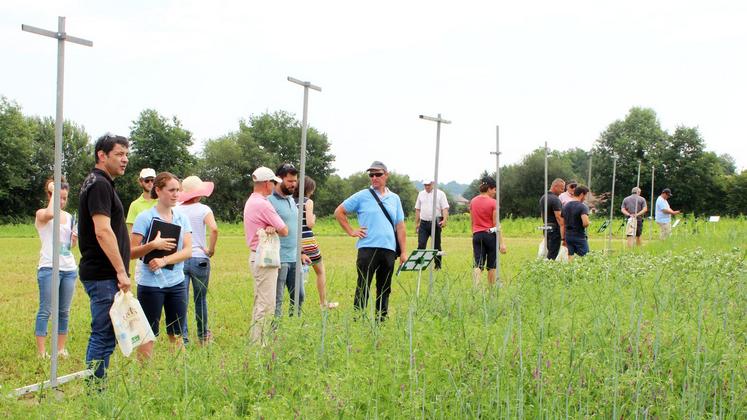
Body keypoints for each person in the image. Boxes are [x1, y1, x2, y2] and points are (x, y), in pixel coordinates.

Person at [78, 133, 131, 382]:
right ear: (102, 155)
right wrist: (120, 271)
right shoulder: (99, 184)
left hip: (101, 272)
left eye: (127, 154)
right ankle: (95, 390)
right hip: (102, 273)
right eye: (119, 154)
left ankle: (96, 385)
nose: (125, 159)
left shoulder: (98, 182)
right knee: (103, 333)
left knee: (106, 332)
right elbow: (102, 230)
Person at [335, 161, 406, 322]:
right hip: (367, 248)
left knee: (385, 287)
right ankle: (358, 318)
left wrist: (404, 252)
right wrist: (351, 231)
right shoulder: (362, 195)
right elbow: (339, 212)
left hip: (389, 249)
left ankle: (381, 319)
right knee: (363, 285)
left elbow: (400, 227)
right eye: (371, 175)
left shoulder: (394, 198)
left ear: (386, 175)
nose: (374, 178)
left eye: (378, 174)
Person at [130, 172, 191, 359]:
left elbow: (188, 251)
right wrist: (152, 246)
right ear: (158, 190)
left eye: (178, 190)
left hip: (177, 283)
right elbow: (131, 251)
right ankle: (144, 376)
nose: (175, 194)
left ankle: (181, 373)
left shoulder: (182, 218)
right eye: (171, 190)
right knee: (148, 333)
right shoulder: (144, 217)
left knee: (178, 331)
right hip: (150, 285)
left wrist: (165, 260)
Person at [243, 167, 288, 344]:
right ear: (267, 183)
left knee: (259, 300)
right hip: (264, 257)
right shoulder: (263, 203)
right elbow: (284, 229)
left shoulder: (251, 201)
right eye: (274, 183)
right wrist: (275, 228)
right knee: (267, 303)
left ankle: (256, 340)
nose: (275, 186)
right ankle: (259, 344)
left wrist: (271, 227)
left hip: (255, 255)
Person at [34, 178, 77, 359]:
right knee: (46, 310)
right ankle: (42, 352)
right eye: (58, 197)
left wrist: (73, 241)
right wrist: (53, 189)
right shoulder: (42, 213)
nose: (62, 201)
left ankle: (60, 348)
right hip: (49, 267)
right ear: (50, 195)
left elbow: (68, 246)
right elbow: (51, 214)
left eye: (65, 198)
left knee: (64, 311)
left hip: (69, 268)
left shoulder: (70, 217)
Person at [178, 175, 219, 345]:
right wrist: (210, 249)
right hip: (200, 259)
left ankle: (184, 339)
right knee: (200, 299)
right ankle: (202, 336)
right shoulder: (204, 209)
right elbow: (214, 229)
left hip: (181, 257)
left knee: (182, 300)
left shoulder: (176, 209)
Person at [268, 163, 312, 317]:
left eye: (295, 181)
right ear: (279, 180)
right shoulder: (269, 201)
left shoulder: (292, 200)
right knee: (277, 299)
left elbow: (294, 228)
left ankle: (295, 326)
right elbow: (265, 224)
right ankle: (274, 332)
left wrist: (301, 252)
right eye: (290, 181)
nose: (294, 184)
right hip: (279, 258)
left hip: (295, 257)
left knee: (299, 296)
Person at [294, 176, 337, 309]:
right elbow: (309, 223)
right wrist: (314, 217)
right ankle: (323, 303)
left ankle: (295, 304)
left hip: (294, 241)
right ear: (309, 188)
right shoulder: (308, 202)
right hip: (307, 240)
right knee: (320, 271)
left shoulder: (290, 201)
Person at [469, 177, 507, 286]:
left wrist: (474, 234)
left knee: (478, 264)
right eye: (494, 190)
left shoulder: (473, 201)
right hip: (490, 235)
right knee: (491, 266)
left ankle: (476, 287)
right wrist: (502, 243)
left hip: (477, 235)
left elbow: (472, 222)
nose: (495, 192)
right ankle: (491, 290)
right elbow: (496, 224)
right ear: (489, 189)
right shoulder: (493, 203)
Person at [414, 180, 449, 270]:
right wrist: (417, 223)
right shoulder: (420, 194)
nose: (427, 187)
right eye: (425, 185)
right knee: (421, 244)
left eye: (428, 185)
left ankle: (437, 266)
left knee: (436, 245)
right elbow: (417, 209)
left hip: (436, 223)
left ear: (433, 184)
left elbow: (444, 208)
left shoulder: (441, 194)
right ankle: (419, 265)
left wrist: (445, 220)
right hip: (423, 223)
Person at [561, 185, 591, 260]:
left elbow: (562, 223)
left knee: (570, 256)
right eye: (585, 195)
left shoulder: (565, 206)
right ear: (581, 195)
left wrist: (563, 238)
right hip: (579, 236)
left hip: (568, 235)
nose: (585, 198)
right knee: (585, 258)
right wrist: (588, 222)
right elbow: (585, 223)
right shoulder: (583, 207)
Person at [539, 178, 565, 260]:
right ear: (555, 186)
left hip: (546, 227)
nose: (563, 191)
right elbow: (559, 217)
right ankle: (548, 269)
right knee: (553, 254)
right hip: (554, 229)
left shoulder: (543, 197)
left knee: (549, 250)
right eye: (561, 188)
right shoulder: (555, 199)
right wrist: (563, 235)